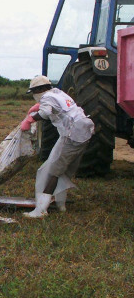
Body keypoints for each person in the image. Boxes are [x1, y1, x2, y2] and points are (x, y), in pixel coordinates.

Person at [20, 75, 95, 218]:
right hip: (84, 133)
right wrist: (38, 107)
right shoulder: (59, 93)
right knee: (63, 171)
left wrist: (30, 119)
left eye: (35, 92)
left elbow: (45, 112)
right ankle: (61, 205)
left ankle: (41, 210)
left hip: (72, 134)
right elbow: (61, 108)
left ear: (40, 89)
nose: (35, 96)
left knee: (52, 171)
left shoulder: (47, 97)